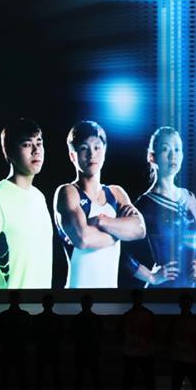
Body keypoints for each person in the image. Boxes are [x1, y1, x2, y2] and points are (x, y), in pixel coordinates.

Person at [53, 120, 145, 288]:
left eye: (97, 147)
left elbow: (139, 229)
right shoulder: (68, 192)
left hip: (109, 296)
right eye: (84, 148)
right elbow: (83, 239)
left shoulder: (116, 193)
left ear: (104, 151)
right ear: (73, 155)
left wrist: (102, 221)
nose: (91, 154)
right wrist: (119, 233)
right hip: (76, 296)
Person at [0, 118, 53, 289]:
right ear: (9, 152)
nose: (36, 151)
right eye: (27, 144)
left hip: (42, 303)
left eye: (39, 143)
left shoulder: (39, 198)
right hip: (8, 305)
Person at [125, 127, 196, 288]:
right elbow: (122, 252)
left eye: (177, 149)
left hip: (189, 290)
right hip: (160, 293)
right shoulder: (143, 205)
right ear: (152, 157)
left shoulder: (189, 197)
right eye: (165, 149)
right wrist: (151, 277)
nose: (172, 155)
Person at [119, 289, 158, 390]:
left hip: (139, 353)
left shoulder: (131, 315)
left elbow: (154, 333)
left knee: (131, 384)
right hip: (138, 353)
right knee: (145, 384)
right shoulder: (143, 315)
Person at [0, 291, 31, 390]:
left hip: (12, 349)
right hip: (14, 349)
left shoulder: (4, 315)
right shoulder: (24, 315)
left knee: (14, 377)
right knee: (14, 377)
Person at [70, 294, 104, 390]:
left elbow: (72, 335)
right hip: (87, 352)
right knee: (90, 378)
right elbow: (100, 335)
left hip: (85, 352)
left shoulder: (78, 319)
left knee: (83, 378)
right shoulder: (93, 319)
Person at [32, 294, 64, 390]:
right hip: (48, 349)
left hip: (46, 349)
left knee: (45, 376)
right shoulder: (56, 319)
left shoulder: (39, 318)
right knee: (51, 376)